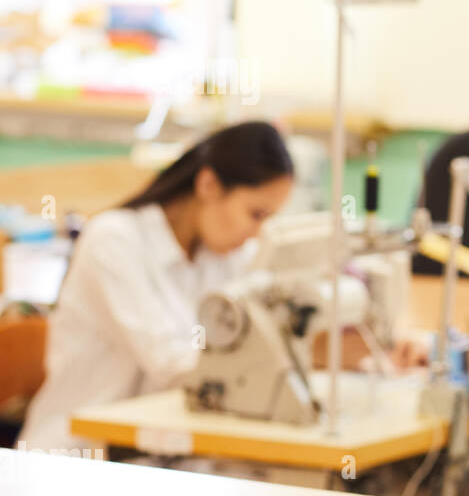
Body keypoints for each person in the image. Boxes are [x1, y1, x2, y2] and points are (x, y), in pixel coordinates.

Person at [19, 120, 424, 454]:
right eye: (255, 213)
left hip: (162, 451)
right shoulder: (114, 241)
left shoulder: (225, 253)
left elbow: (263, 322)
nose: (257, 233)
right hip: (78, 456)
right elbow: (171, 363)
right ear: (209, 185)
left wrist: (371, 353)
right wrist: (312, 352)